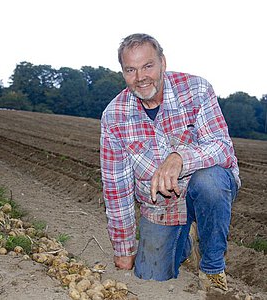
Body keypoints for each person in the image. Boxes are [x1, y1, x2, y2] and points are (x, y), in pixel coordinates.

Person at [100, 33, 241, 292]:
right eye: (131, 69)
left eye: (147, 66)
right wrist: (124, 250)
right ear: (123, 73)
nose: (140, 77)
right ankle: (184, 239)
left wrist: (180, 158)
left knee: (210, 180)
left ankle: (212, 268)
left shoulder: (196, 90)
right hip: (161, 206)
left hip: (204, 188)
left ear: (163, 62)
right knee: (150, 276)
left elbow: (222, 148)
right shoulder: (114, 117)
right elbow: (116, 189)